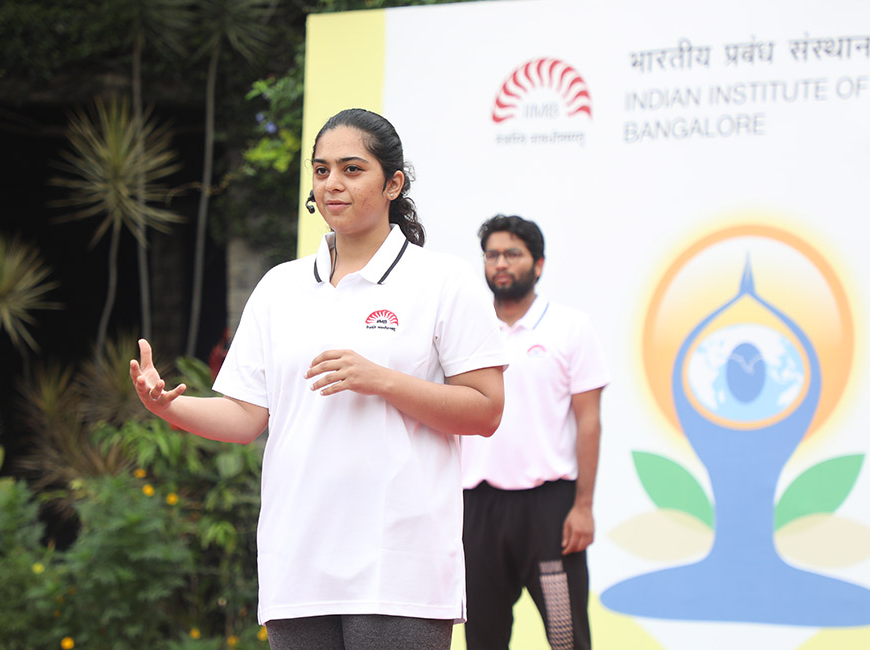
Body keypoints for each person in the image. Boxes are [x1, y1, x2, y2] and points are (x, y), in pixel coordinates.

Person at [130, 108, 508, 650]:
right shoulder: (279, 287)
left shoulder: (442, 281)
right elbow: (244, 419)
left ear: (393, 184)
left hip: (398, 569)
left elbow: (486, 410)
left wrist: (381, 380)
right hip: (297, 568)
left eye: (352, 169)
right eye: (322, 169)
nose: (333, 183)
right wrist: (168, 407)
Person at [460, 215, 609, 650]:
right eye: (492, 255)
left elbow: (590, 421)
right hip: (477, 506)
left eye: (512, 254)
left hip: (550, 510)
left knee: (566, 638)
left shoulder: (570, 327)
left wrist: (584, 507)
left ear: (538, 264)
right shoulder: (466, 328)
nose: (500, 263)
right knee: (482, 639)